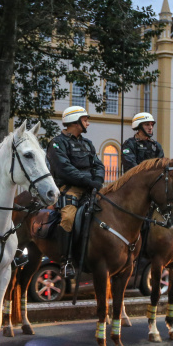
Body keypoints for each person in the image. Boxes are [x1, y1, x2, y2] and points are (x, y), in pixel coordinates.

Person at [47, 106, 105, 279]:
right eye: (85, 120)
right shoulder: (57, 143)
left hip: (92, 188)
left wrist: (98, 180)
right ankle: (66, 261)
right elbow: (64, 169)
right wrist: (88, 181)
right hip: (69, 189)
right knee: (68, 218)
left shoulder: (87, 143)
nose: (88, 123)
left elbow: (98, 165)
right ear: (75, 121)